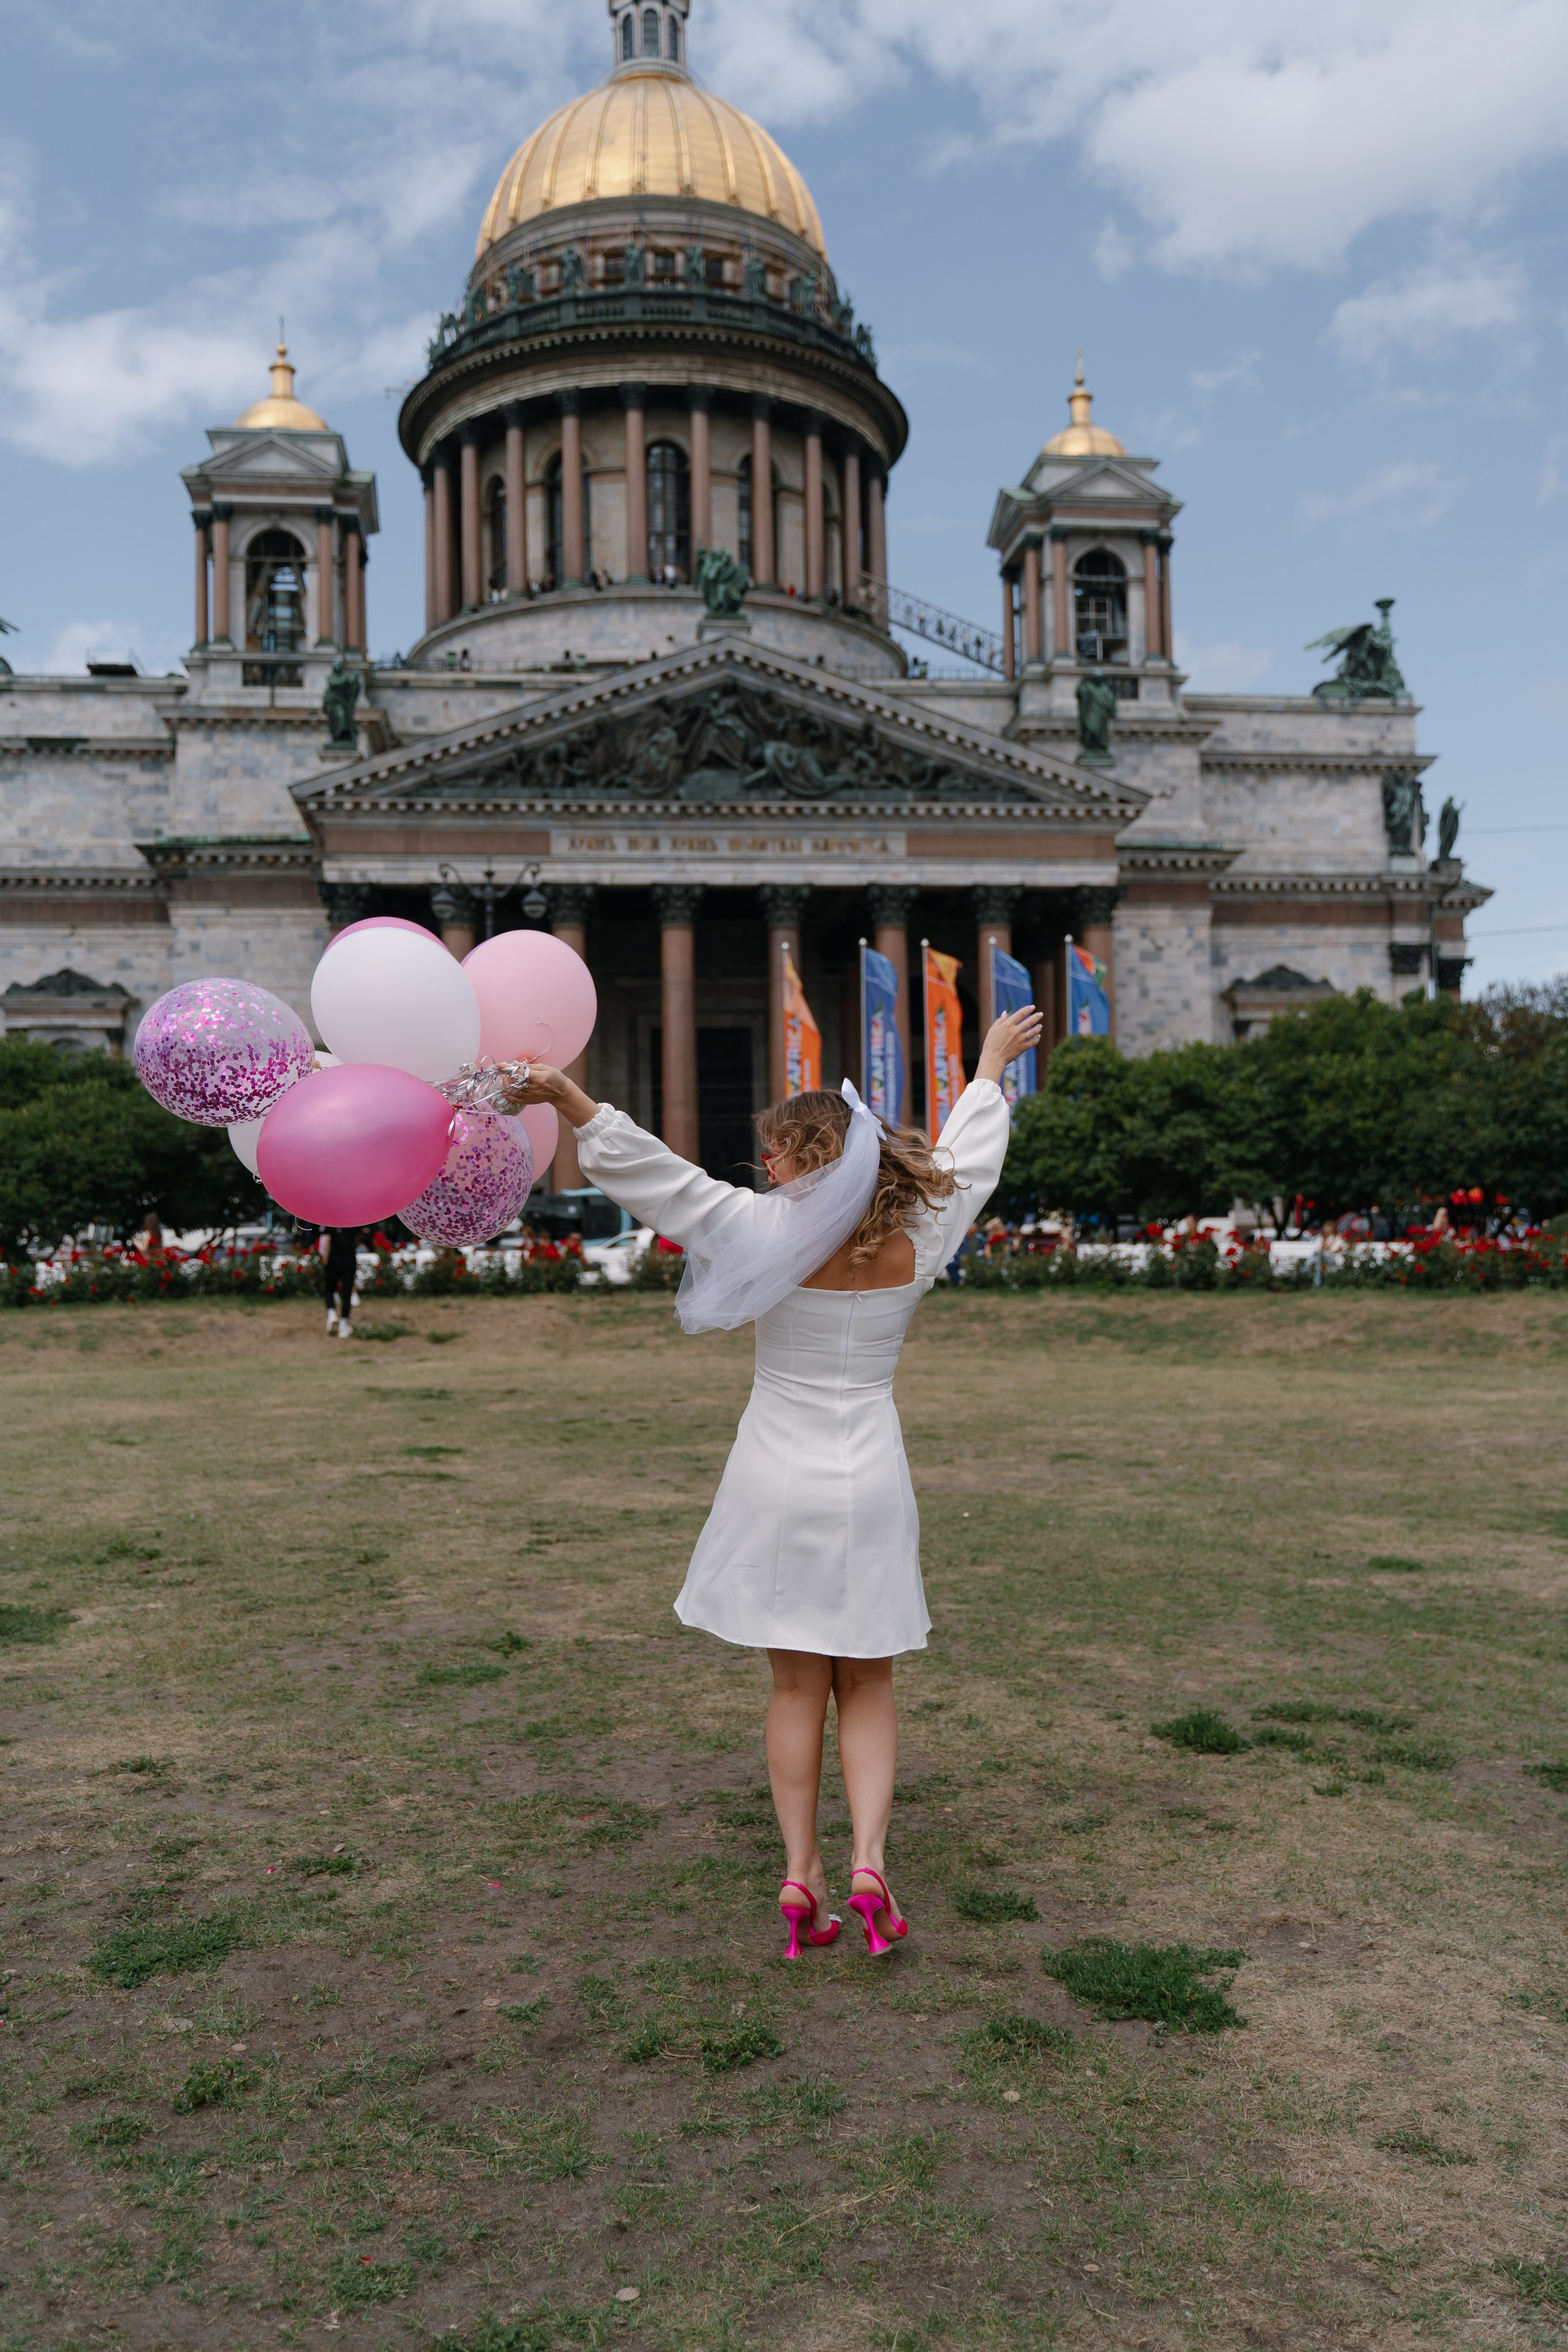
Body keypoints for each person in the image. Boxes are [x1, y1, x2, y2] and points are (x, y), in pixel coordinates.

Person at [507, 1005, 1042, 1960]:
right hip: (870, 1474)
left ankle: (802, 1875)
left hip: (772, 1476)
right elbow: (972, 1157)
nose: (766, 1171)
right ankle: (870, 1860)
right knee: (868, 1678)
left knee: (797, 1687)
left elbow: (655, 1180)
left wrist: (565, 1094)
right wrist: (992, 1064)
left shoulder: (756, 1231)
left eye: (779, 1156)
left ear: (811, 1159)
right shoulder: (922, 1232)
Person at [320, 1226, 363, 1337]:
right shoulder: (352, 1223)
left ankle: (332, 1313)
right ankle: (343, 1325)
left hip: (334, 1260)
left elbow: (325, 1244)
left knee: (330, 1290)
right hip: (349, 1260)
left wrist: (325, 1260)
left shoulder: (330, 1224)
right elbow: (357, 1240)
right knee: (347, 1294)